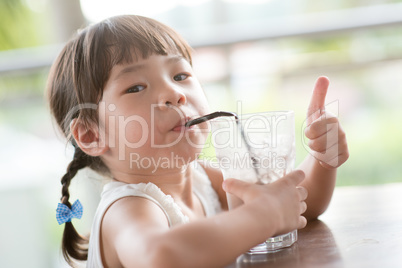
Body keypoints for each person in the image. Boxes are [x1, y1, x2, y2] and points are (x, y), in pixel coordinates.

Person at [47, 15, 349, 268]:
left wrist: (322, 158)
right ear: (91, 135)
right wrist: (262, 216)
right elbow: (161, 255)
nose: (175, 94)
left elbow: (295, 205)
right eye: (136, 87)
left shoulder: (206, 178)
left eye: (180, 76)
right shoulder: (127, 207)